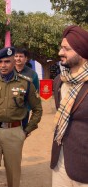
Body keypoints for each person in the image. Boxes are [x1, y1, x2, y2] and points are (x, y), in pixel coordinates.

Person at [0, 47, 42, 187]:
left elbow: (37, 109)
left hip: (14, 132)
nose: (3, 65)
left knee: (13, 174)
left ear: (13, 63)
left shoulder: (25, 83)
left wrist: (26, 130)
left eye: (7, 62)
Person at [51, 25, 88, 187]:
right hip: (60, 161)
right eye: (61, 47)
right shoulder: (59, 81)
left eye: (66, 48)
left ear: (81, 52)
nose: (60, 53)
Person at [14, 48, 40, 128]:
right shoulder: (7, 71)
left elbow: (35, 92)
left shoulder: (32, 74)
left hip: (24, 110)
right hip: (9, 109)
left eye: (21, 56)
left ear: (26, 59)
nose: (18, 58)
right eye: (16, 56)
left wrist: (28, 107)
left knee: (21, 134)